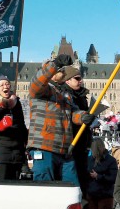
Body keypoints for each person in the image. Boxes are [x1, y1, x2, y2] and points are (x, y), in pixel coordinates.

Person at [27, 55, 97, 183]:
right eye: (58, 69)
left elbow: (73, 114)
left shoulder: (64, 94)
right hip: (44, 146)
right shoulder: (41, 90)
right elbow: (38, 81)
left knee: (72, 187)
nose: (61, 71)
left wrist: (83, 117)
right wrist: (55, 64)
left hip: (64, 149)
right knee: (45, 187)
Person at [86, 137, 118, 209]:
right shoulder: (89, 160)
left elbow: (113, 178)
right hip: (92, 193)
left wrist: (98, 176)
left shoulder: (110, 160)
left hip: (105, 194)